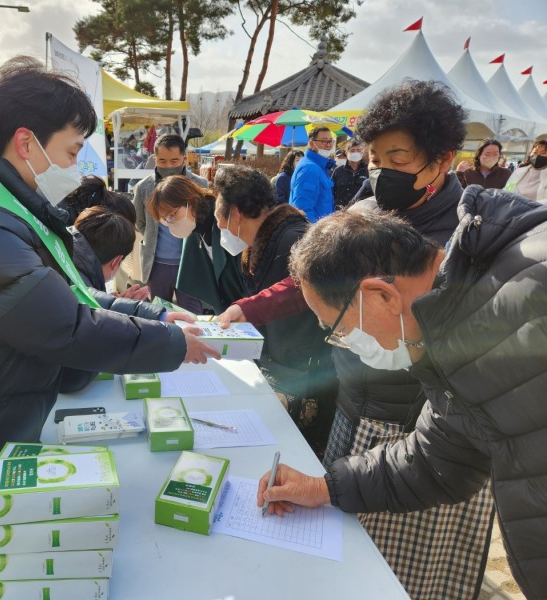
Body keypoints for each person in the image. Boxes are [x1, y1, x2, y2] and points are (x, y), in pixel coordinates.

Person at [0, 56, 219, 600]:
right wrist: (169, 344)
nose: (76, 166)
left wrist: (154, 314)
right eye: (72, 151)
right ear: (27, 143)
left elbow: (67, 295)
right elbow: (63, 326)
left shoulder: (8, 209)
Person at [219, 80, 494, 599]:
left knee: (406, 572)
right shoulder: (364, 210)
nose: (381, 171)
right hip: (356, 406)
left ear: (443, 159)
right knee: (346, 549)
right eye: (373, 158)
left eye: (398, 157)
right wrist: (247, 307)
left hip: (427, 427)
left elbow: (468, 403)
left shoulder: (468, 239)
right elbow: (311, 277)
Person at [259, 199, 547, 600]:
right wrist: (324, 487)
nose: (345, 343)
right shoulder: (455, 317)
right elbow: (438, 454)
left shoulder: (528, 303)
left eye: (339, 329)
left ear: (381, 295)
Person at [214, 165, 336, 453]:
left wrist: (248, 309)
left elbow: (301, 290)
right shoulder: (268, 240)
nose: (220, 226)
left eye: (220, 217)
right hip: (282, 363)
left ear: (235, 213)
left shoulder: (294, 239)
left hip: (302, 372)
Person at [146, 174, 244, 314]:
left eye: (172, 214)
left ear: (190, 202)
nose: (169, 221)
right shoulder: (194, 230)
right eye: (165, 219)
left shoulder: (224, 222)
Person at [133, 133, 208, 312]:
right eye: (162, 161)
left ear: (184, 158)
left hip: (190, 263)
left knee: (192, 313)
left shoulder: (200, 185)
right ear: (155, 159)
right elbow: (140, 222)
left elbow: (206, 220)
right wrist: (152, 237)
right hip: (157, 265)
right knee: (159, 313)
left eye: (174, 161)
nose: (168, 166)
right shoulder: (143, 187)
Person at [288, 126, 336, 222]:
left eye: (330, 141)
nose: (328, 145)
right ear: (311, 144)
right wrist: (315, 230)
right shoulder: (310, 168)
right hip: (315, 228)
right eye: (324, 141)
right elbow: (303, 210)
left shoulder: (319, 166)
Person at [330, 139, 368, 209]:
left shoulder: (368, 170)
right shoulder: (338, 171)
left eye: (358, 150)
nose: (355, 153)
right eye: (352, 150)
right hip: (340, 211)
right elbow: (331, 192)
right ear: (346, 153)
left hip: (361, 211)